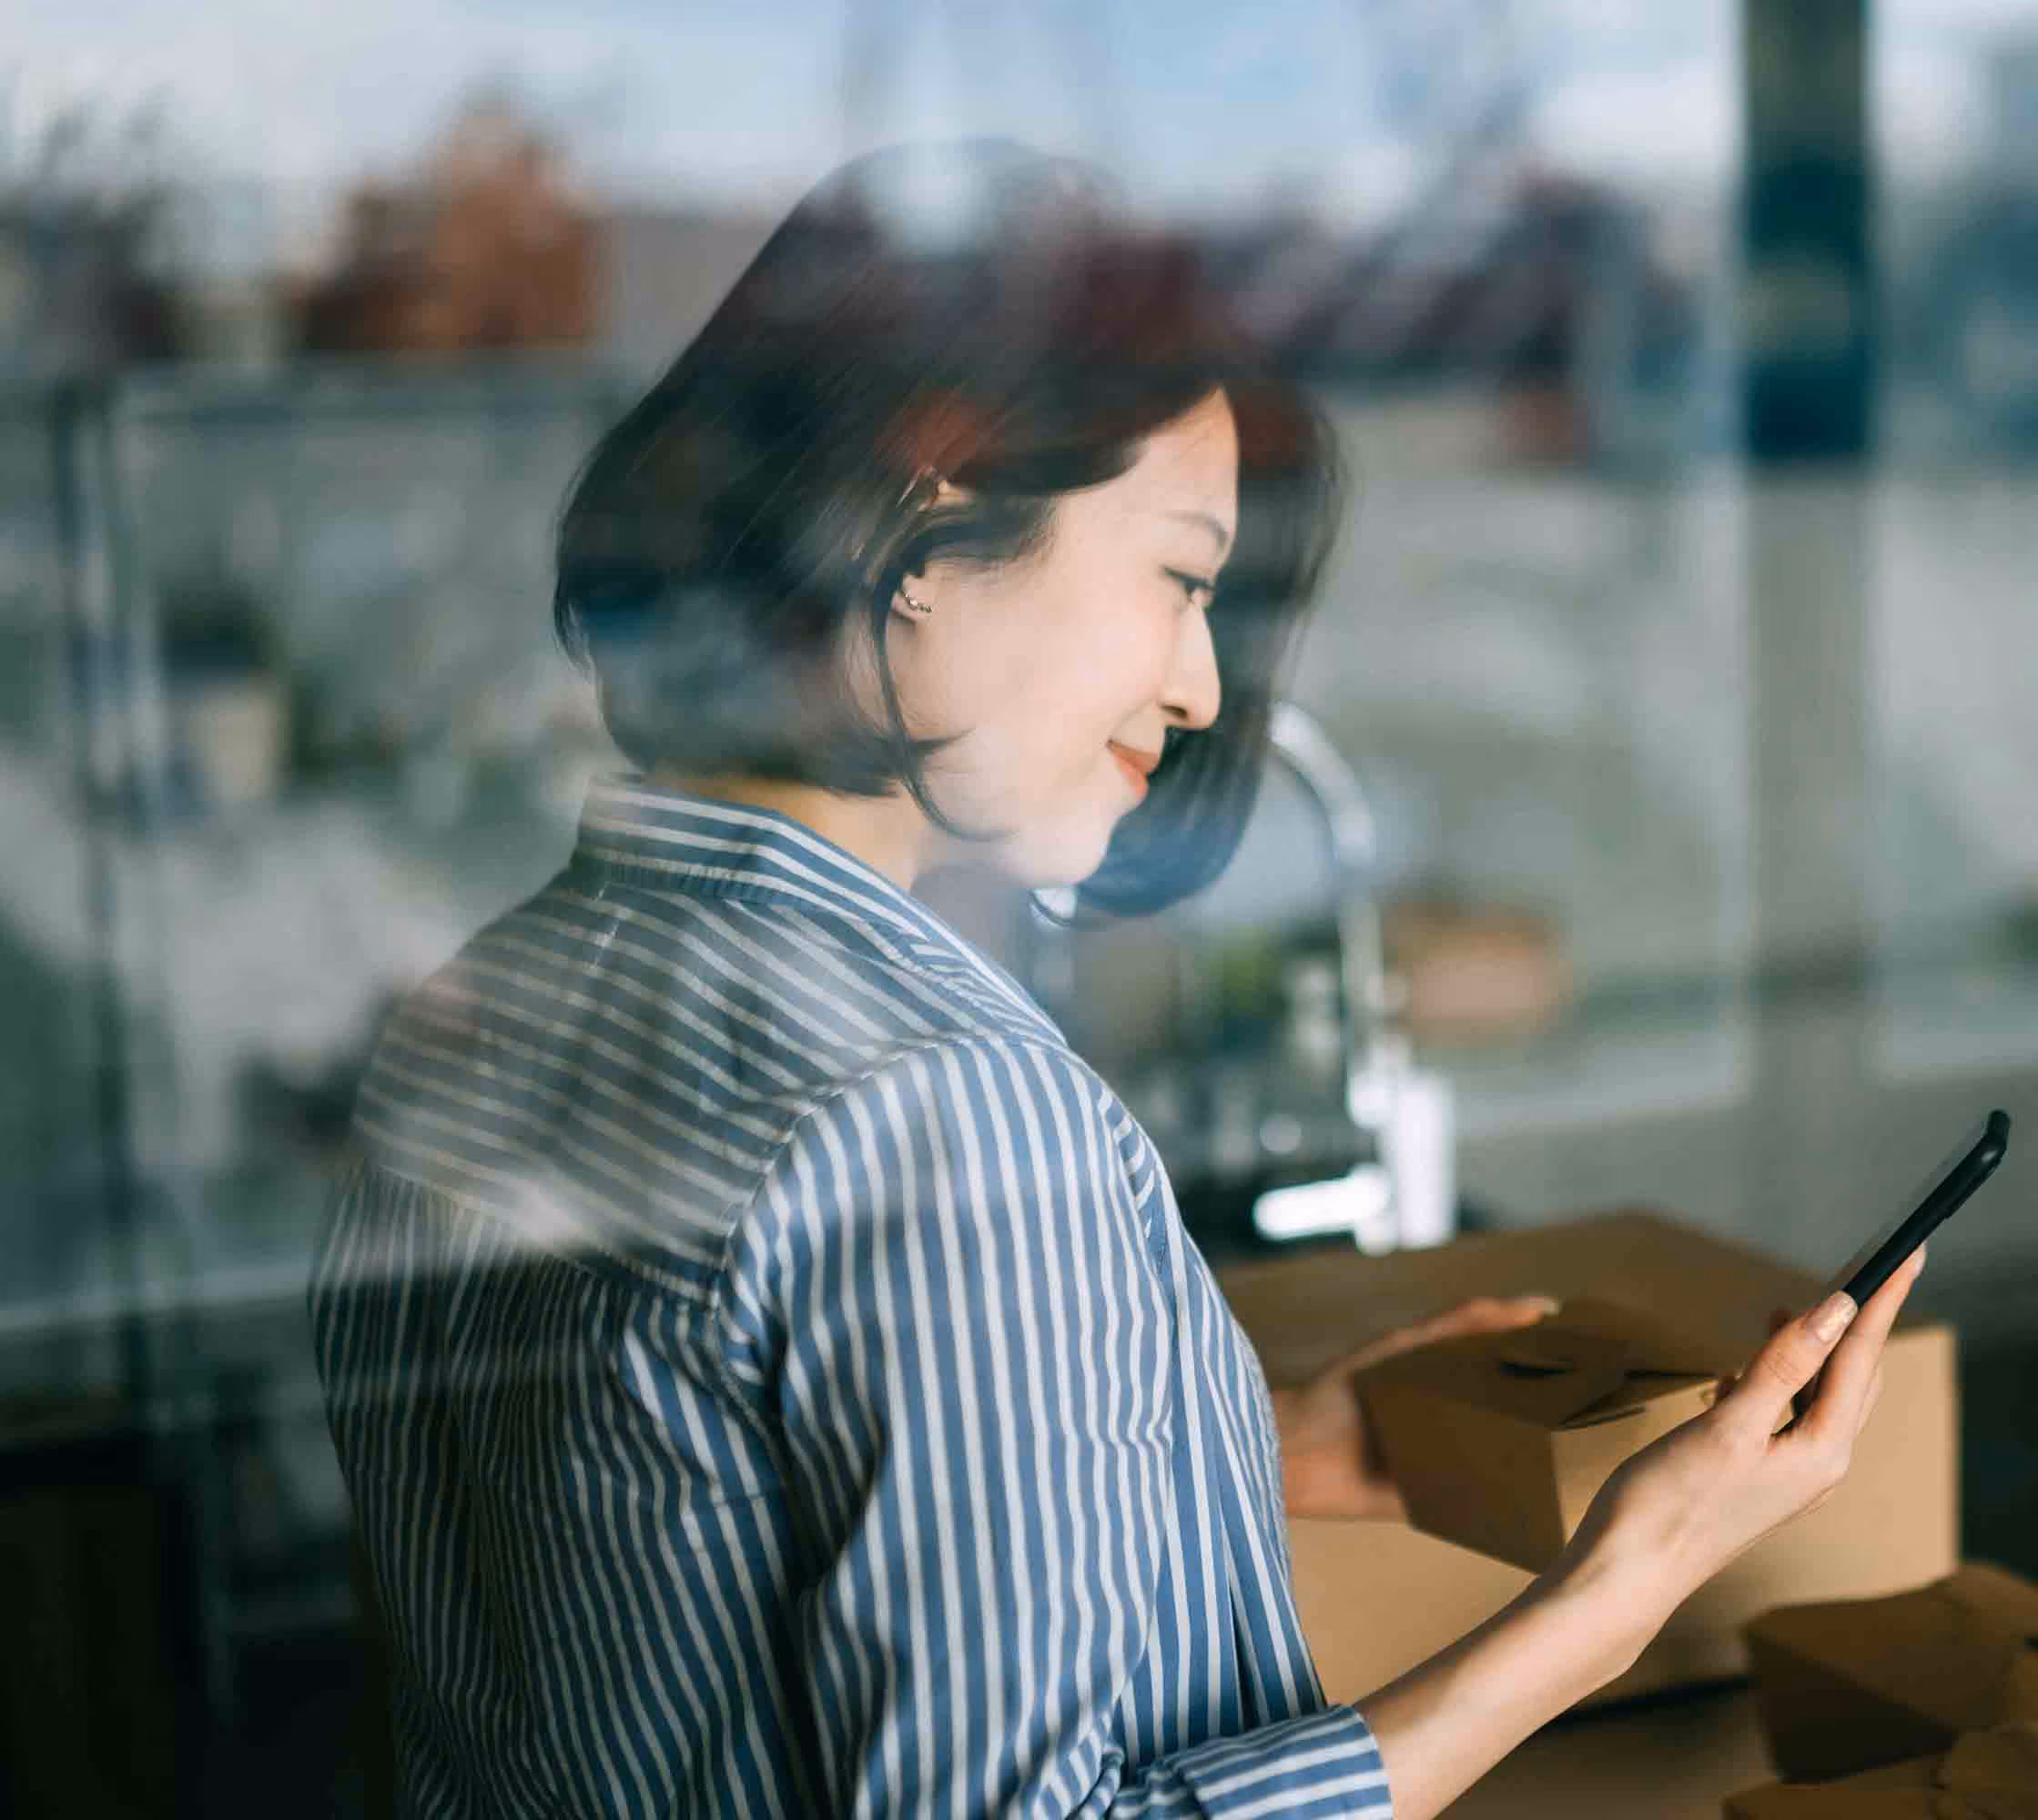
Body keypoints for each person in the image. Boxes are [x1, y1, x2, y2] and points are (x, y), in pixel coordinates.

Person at [308, 145, 1921, 1820]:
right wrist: (1616, 1595)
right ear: (926, 529)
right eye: (1179, 575)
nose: (1206, 682)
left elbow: (640, 1586)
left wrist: (1224, 1448)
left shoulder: (479, 1020)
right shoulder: (948, 1120)